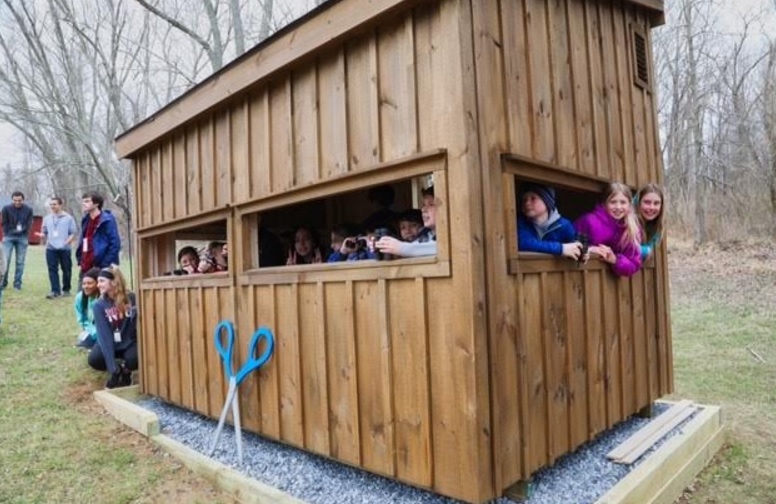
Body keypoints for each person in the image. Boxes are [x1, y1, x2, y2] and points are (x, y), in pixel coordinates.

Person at [574, 182, 642, 277]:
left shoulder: (632, 228)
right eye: (613, 202)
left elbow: (634, 264)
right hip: (584, 277)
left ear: (629, 205)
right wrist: (590, 249)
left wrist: (615, 260)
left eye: (623, 202)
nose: (618, 207)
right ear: (604, 203)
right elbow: (570, 244)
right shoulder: (589, 221)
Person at [88, 266, 137, 389]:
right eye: (98, 281)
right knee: (95, 359)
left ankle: (126, 372)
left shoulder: (131, 298)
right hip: (109, 342)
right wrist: (112, 369)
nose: (98, 285)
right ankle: (118, 371)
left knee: (135, 358)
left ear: (113, 281)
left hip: (129, 342)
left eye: (101, 281)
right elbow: (104, 337)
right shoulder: (98, 305)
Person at [517, 183, 583, 259]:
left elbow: (576, 246)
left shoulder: (564, 225)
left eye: (533, 198)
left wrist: (584, 252)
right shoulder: (521, 222)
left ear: (547, 201)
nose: (527, 203)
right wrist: (561, 248)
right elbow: (524, 243)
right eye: (524, 200)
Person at [376, 185, 437, 257]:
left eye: (431, 204)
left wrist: (401, 248)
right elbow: (417, 246)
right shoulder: (426, 237)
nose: (423, 210)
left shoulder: (452, 235)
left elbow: (441, 247)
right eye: (423, 205)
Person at [37, 197, 78, 299]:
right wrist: (42, 235)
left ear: (60, 205)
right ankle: (55, 291)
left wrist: (66, 242)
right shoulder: (47, 218)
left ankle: (66, 289)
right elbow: (44, 231)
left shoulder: (68, 218)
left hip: (64, 248)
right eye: (51, 204)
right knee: (52, 269)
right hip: (51, 247)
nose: (52, 206)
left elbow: (73, 233)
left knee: (66, 269)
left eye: (54, 204)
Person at [75, 192, 121, 282]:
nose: (84, 204)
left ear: (96, 204)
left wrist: (105, 264)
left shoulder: (107, 219)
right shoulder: (85, 220)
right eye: (83, 201)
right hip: (86, 265)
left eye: (87, 201)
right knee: (81, 295)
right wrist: (80, 259)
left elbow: (115, 243)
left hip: (101, 266)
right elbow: (83, 240)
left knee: (102, 295)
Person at [1, 191, 34, 290]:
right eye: (15, 200)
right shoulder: (6, 209)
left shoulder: (28, 209)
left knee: (20, 262)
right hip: (9, 237)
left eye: (19, 200)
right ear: (12, 200)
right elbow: (4, 223)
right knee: (5, 260)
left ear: (22, 200)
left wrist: (24, 231)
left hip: (22, 237)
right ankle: (3, 283)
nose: (17, 202)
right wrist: (9, 232)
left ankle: (17, 284)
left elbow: (29, 223)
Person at [635, 183, 664, 261]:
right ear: (638, 203)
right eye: (647, 202)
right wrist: (646, 250)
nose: (652, 207)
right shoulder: (625, 220)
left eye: (656, 203)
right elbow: (624, 249)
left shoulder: (656, 227)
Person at [74, 268, 100, 349]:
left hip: (103, 332)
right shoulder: (80, 298)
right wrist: (90, 332)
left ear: (97, 284)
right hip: (90, 330)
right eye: (84, 283)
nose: (86, 286)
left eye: (89, 283)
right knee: (82, 342)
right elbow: (82, 319)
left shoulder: (102, 299)